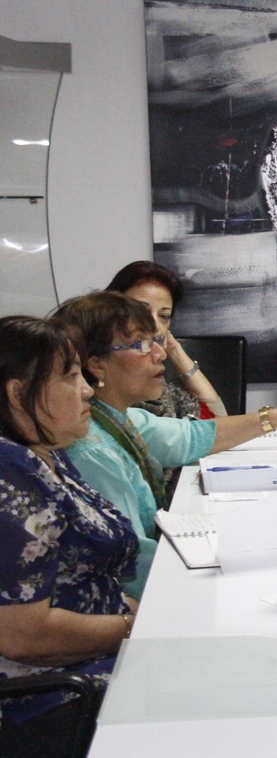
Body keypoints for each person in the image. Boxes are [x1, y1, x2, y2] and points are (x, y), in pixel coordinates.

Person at [50, 292, 277, 599]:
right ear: (96, 364)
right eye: (141, 345)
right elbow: (133, 562)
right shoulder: (94, 452)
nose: (160, 354)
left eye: (156, 341)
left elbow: (192, 437)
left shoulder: (116, 418)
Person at [0, 316, 138, 755]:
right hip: (50, 697)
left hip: (97, 658)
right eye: (70, 376)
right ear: (18, 393)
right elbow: (25, 638)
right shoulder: (11, 477)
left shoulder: (46, 454)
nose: (88, 390)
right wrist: (133, 627)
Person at [107, 260, 228, 495]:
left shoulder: (159, 385)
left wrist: (173, 349)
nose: (154, 325)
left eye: (164, 316)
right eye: (141, 311)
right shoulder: (113, 388)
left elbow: (214, 418)